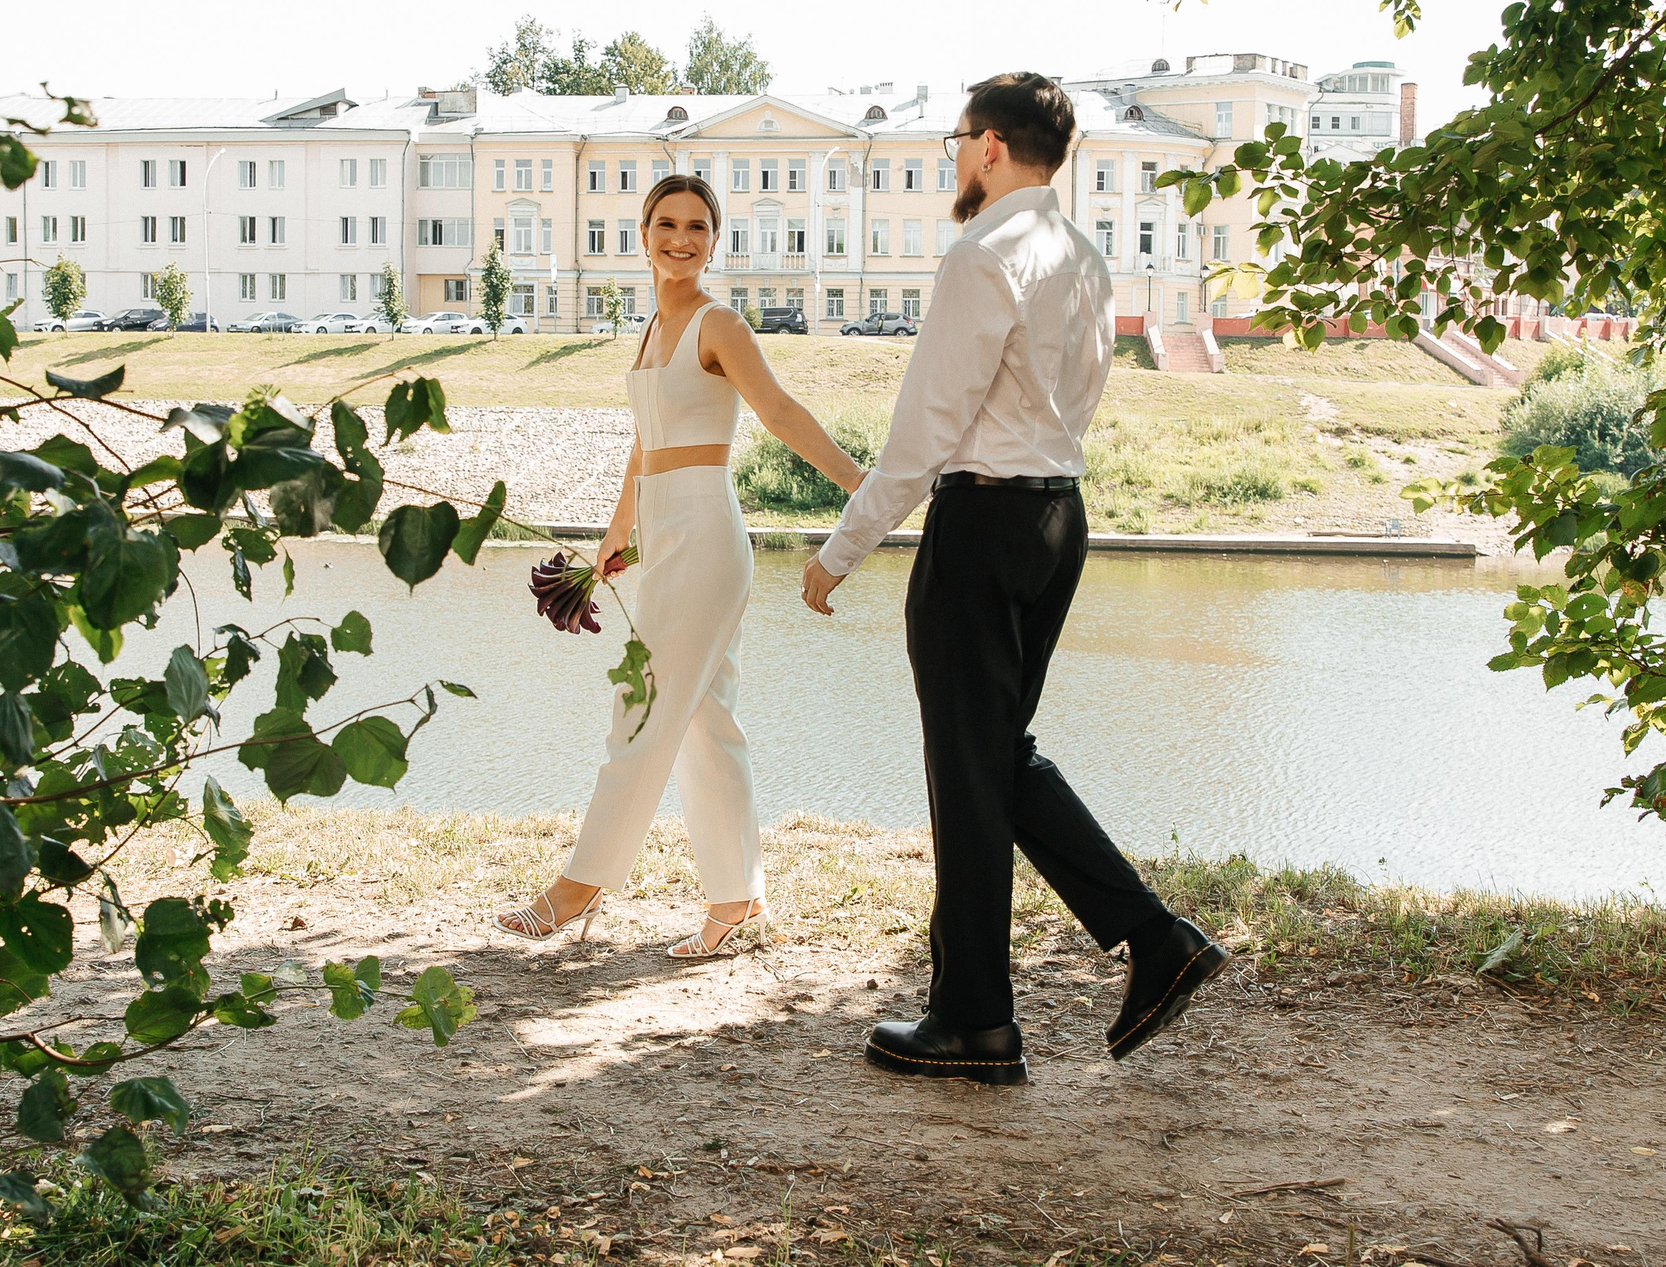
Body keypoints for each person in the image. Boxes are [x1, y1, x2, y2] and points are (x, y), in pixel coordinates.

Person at [800, 73, 1228, 1084]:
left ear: (991, 146)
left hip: (983, 521)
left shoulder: (981, 254)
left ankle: (978, 1020)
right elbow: (1078, 398)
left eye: (958, 140)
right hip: (1054, 518)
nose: (953, 158)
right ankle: (1139, 947)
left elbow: (923, 432)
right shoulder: (1081, 257)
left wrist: (839, 551)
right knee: (994, 755)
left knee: (966, 765)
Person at [495, 175, 865, 959]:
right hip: (665, 528)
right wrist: (616, 533)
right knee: (705, 720)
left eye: (697, 226)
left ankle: (580, 883)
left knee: (643, 701)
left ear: (715, 237)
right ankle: (738, 900)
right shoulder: (652, 328)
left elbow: (781, 411)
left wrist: (864, 486)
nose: (681, 238)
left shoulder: (717, 323)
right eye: (667, 223)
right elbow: (645, 444)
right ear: (643, 232)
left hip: (704, 529)